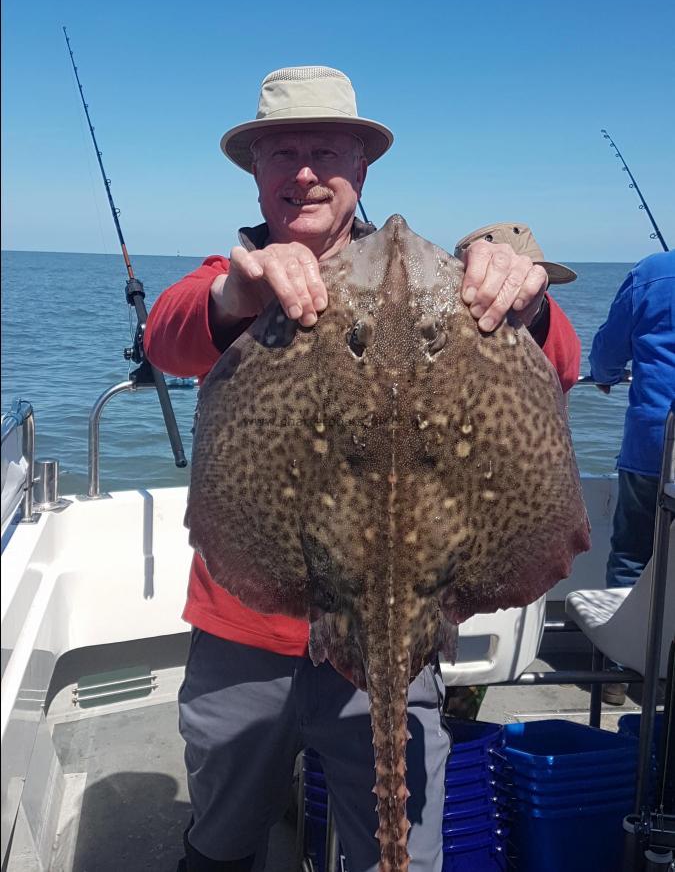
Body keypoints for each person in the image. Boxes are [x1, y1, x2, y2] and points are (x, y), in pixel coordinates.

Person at [144, 66, 582, 872]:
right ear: (255, 172)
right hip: (247, 622)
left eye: (324, 151)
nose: (304, 171)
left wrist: (529, 303)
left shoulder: (445, 292)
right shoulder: (231, 277)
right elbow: (168, 335)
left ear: (361, 167)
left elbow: (555, 367)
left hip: (407, 622)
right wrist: (232, 300)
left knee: (401, 845)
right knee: (222, 833)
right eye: (282, 154)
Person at [444, 222, 580, 720]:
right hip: (440, 544)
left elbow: (564, 363)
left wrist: (537, 312)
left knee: (448, 709)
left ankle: (455, 740)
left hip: (493, 546)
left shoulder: (539, 333)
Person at [589, 249, 675, 706]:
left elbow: (608, 348)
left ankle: (620, 672)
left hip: (654, 444)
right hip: (656, 442)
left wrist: (604, 375)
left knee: (632, 553)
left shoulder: (653, 272)